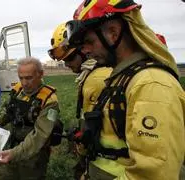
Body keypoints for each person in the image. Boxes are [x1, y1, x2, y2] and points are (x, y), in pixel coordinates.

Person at [66, 0, 185, 179]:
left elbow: (154, 174)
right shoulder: (122, 78)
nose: (86, 50)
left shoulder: (151, 84)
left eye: (89, 41)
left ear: (113, 33)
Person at [48, 22, 112, 179]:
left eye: (70, 58)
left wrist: (83, 146)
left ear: (84, 51)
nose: (67, 64)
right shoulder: (93, 74)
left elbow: (94, 125)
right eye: (64, 60)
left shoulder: (95, 79)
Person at [0, 57, 60, 180]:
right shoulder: (18, 90)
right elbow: (9, 111)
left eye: (29, 78)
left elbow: (40, 136)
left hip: (34, 154)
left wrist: (13, 154)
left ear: (40, 74)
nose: (24, 83)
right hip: (14, 146)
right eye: (21, 78)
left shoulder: (50, 101)